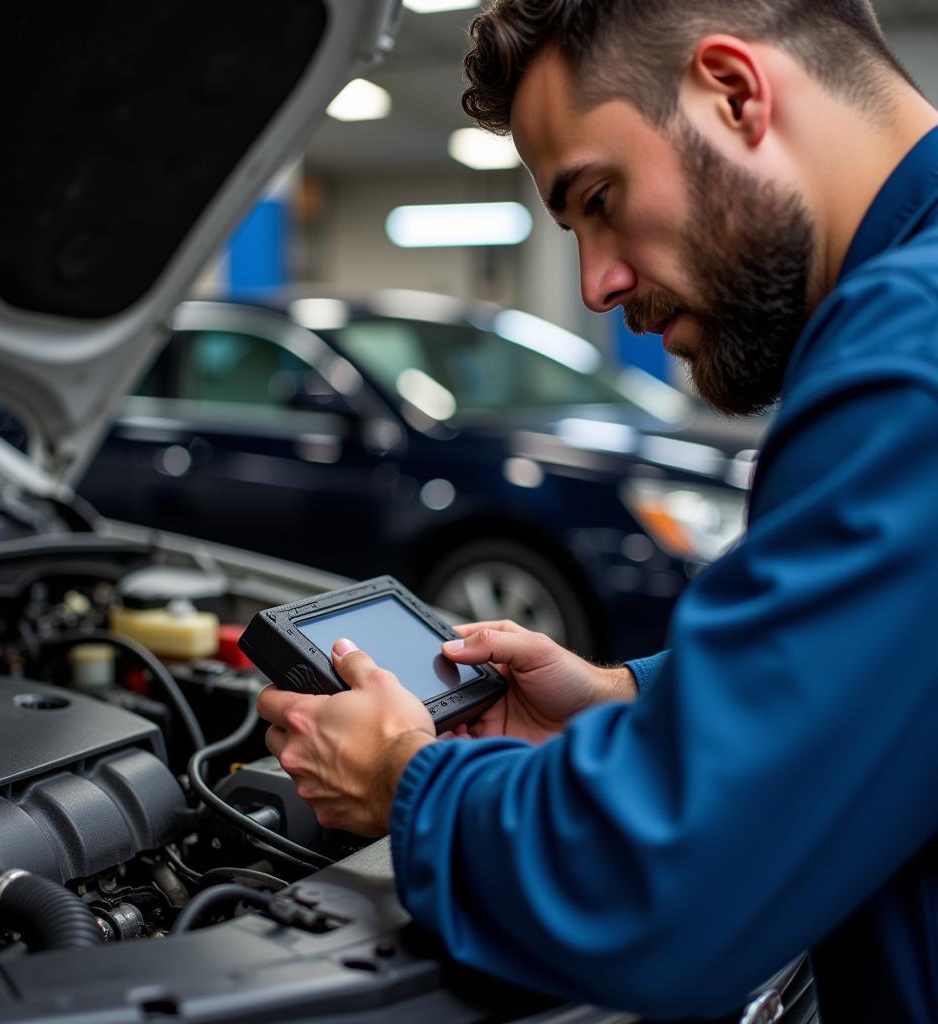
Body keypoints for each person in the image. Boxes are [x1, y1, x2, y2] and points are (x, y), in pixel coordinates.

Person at [259, 1, 938, 1018]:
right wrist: (630, 699)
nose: (595, 282)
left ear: (735, 93)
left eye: (598, 198)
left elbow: (666, 887)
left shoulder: (905, 357)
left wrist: (411, 786)